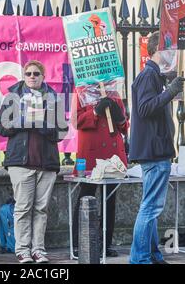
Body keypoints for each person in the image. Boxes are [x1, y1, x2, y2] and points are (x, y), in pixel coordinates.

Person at [0, 60, 68, 263]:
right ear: (24, 75)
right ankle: (22, 250)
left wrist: (41, 124)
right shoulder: (13, 96)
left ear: (43, 76)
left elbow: (61, 132)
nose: (32, 77)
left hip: (46, 164)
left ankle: (38, 249)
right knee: (23, 207)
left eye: (36, 73)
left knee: (40, 209)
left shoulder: (53, 97)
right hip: (20, 162)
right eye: (28, 73)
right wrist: (23, 121)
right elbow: (1, 128)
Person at [129, 31, 185, 264]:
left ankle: (152, 254)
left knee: (151, 208)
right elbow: (145, 108)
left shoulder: (154, 76)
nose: (172, 55)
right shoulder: (148, 76)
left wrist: (168, 89)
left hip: (155, 150)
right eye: (169, 50)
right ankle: (140, 258)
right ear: (158, 51)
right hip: (153, 152)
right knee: (150, 208)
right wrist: (170, 92)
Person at [71, 87, 129, 257]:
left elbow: (124, 126)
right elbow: (76, 121)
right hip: (91, 154)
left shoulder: (114, 92)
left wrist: (119, 118)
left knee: (110, 200)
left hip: (112, 155)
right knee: (85, 196)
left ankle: (106, 243)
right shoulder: (81, 91)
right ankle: (78, 242)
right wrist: (95, 112)